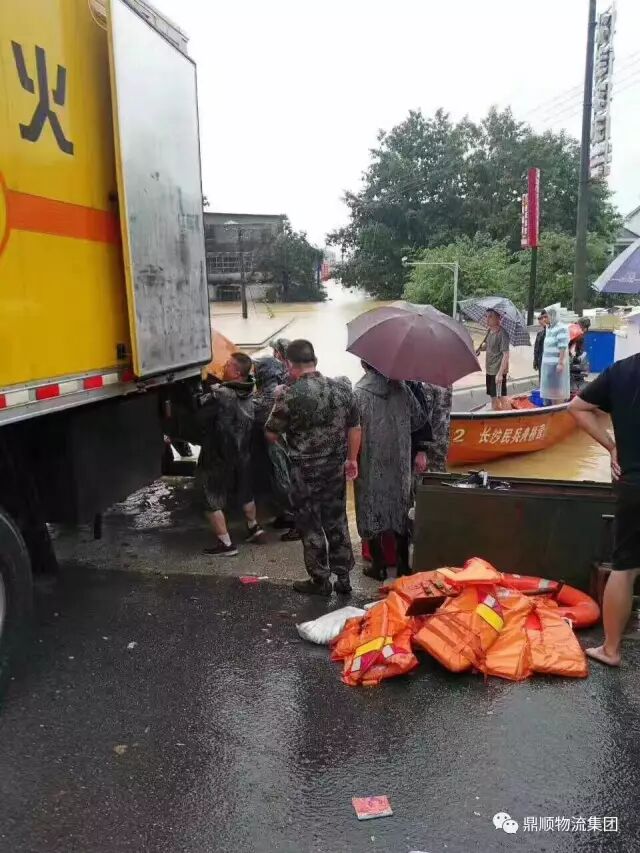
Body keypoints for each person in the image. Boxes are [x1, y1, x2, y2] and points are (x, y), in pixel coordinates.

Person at [265, 339, 361, 596]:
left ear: (288, 364)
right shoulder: (341, 389)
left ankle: (320, 580)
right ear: (315, 360)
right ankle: (344, 578)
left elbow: (271, 434)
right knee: (337, 521)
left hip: (304, 472)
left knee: (310, 524)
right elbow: (355, 426)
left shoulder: (289, 395)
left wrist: (277, 402)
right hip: (334, 469)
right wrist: (351, 459)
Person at [569, 353, 640, 667]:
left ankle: (611, 650)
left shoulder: (622, 370)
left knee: (624, 569)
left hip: (633, 484)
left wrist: (612, 446)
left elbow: (577, 407)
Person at [355, 364, 426, 580]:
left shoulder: (359, 393)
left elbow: (351, 428)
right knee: (401, 508)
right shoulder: (402, 388)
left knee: (370, 508)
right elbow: (418, 419)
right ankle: (404, 565)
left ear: (364, 364)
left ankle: (378, 565)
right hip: (400, 461)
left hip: (371, 461)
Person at [197, 352, 265, 556]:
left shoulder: (222, 394)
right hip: (242, 452)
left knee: (210, 497)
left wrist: (203, 384)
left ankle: (225, 543)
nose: (223, 367)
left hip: (219, 453)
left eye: (227, 364)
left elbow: (198, 406)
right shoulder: (249, 391)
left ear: (236, 373)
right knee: (245, 491)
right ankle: (254, 527)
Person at [252, 356, 299, 540]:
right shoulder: (282, 390)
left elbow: (255, 414)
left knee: (282, 481)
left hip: (277, 445)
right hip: (285, 443)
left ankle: (296, 521)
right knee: (283, 480)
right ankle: (287, 515)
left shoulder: (267, 396)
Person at [478, 309, 510, 410]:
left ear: (498, 318)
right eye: (486, 316)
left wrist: (500, 374)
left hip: (497, 371)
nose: (487, 319)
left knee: (501, 397)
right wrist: (480, 348)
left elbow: (506, 354)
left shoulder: (502, 333)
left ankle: (509, 417)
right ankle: (496, 415)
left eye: (490, 316)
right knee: (493, 397)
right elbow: (488, 347)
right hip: (489, 370)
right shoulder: (489, 331)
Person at [540, 306, 570, 405]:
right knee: (551, 392)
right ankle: (553, 409)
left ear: (552, 316)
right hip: (548, 366)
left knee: (557, 392)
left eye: (546, 316)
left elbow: (562, 347)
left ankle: (558, 411)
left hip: (555, 366)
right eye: (543, 317)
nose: (544, 319)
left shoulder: (561, 328)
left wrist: (560, 363)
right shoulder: (549, 328)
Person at [533, 310, 549, 378]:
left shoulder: (550, 333)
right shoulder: (539, 334)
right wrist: (535, 360)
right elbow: (536, 348)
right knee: (541, 379)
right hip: (540, 360)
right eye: (540, 319)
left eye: (545, 317)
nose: (541, 320)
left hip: (548, 362)